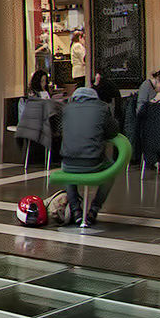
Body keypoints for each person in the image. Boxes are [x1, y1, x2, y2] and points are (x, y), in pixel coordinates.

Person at [58, 80, 114, 228]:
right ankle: (94, 209)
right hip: (93, 162)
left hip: (69, 161)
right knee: (111, 169)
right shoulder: (103, 108)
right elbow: (113, 131)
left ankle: (76, 211)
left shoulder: (66, 109)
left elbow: (60, 129)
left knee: (67, 169)